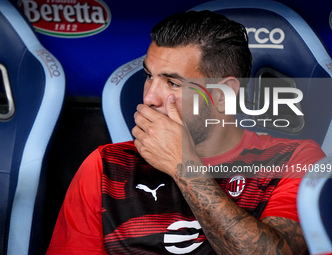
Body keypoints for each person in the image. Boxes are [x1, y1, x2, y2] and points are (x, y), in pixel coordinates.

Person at [46, 10, 325, 255]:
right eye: (149, 76)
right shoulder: (106, 166)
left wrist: (184, 167)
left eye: (172, 83)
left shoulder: (293, 160)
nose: (150, 97)